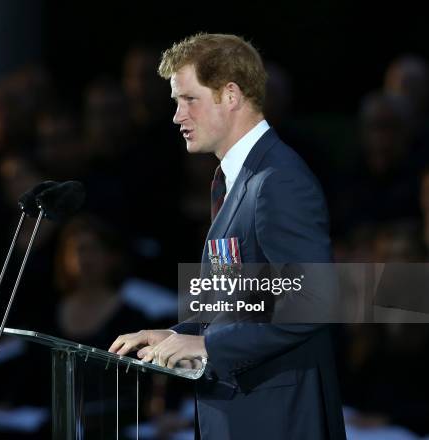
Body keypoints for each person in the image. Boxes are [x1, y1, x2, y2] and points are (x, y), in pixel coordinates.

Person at [108, 33, 346, 439]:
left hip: (277, 421)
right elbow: (244, 303)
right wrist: (180, 335)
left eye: (189, 99)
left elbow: (313, 300)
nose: (176, 116)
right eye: (176, 102)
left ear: (230, 95)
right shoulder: (241, 178)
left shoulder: (278, 180)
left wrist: (208, 348)